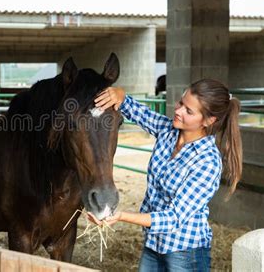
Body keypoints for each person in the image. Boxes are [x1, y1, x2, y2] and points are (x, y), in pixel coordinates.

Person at [90, 78, 242, 272]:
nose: (178, 111)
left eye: (189, 111)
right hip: (154, 243)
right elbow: (140, 113)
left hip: (185, 253)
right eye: (181, 102)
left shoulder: (208, 162)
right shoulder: (168, 131)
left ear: (208, 120)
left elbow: (173, 218)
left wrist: (120, 216)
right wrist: (120, 95)